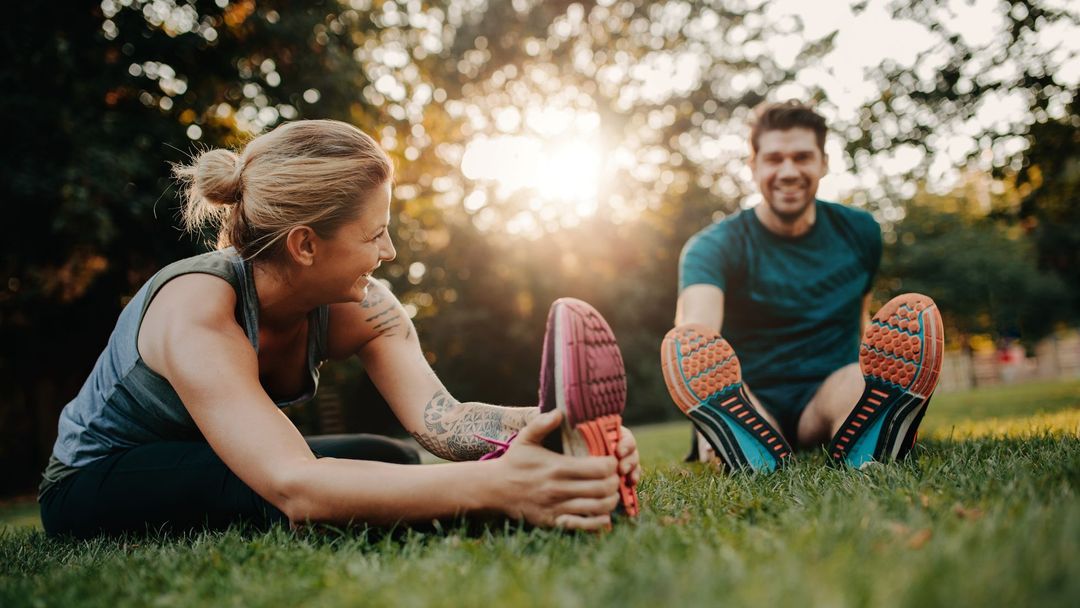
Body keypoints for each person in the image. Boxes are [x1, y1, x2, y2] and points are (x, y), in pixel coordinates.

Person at [39, 119, 640, 539]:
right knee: (281, 495)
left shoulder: (364, 306)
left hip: (211, 459)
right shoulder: (198, 306)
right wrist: (501, 489)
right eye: (373, 233)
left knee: (393, 461)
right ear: (305, 244)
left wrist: (558, 430)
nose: (391, 250)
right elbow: (296, 485)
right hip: (99, 478)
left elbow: (446, 422)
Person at [660, 101, 943, 472]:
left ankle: (874, 432)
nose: (788, 171)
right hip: (751, 395)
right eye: (775, 159)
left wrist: (874, 369)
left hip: (827, 391)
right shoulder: (713, 246)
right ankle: (727, 434)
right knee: (732, 399)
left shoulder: (860, 232)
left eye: (802, 157)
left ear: (824, 162)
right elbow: (696, 335)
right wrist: (699, 407)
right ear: (754, 166)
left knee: (857, 387)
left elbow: (860, 315)